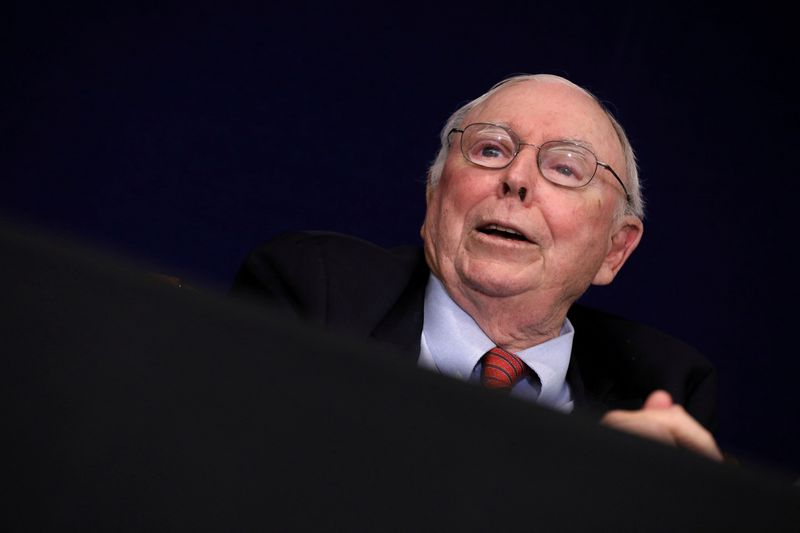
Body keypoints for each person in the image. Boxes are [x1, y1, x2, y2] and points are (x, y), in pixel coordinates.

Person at [231, 73, 723, 461]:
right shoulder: (315, 294)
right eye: (491, 149)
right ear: (434, 197)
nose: (516, 178)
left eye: (566, 168)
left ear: (615, 249)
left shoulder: (665, 387)